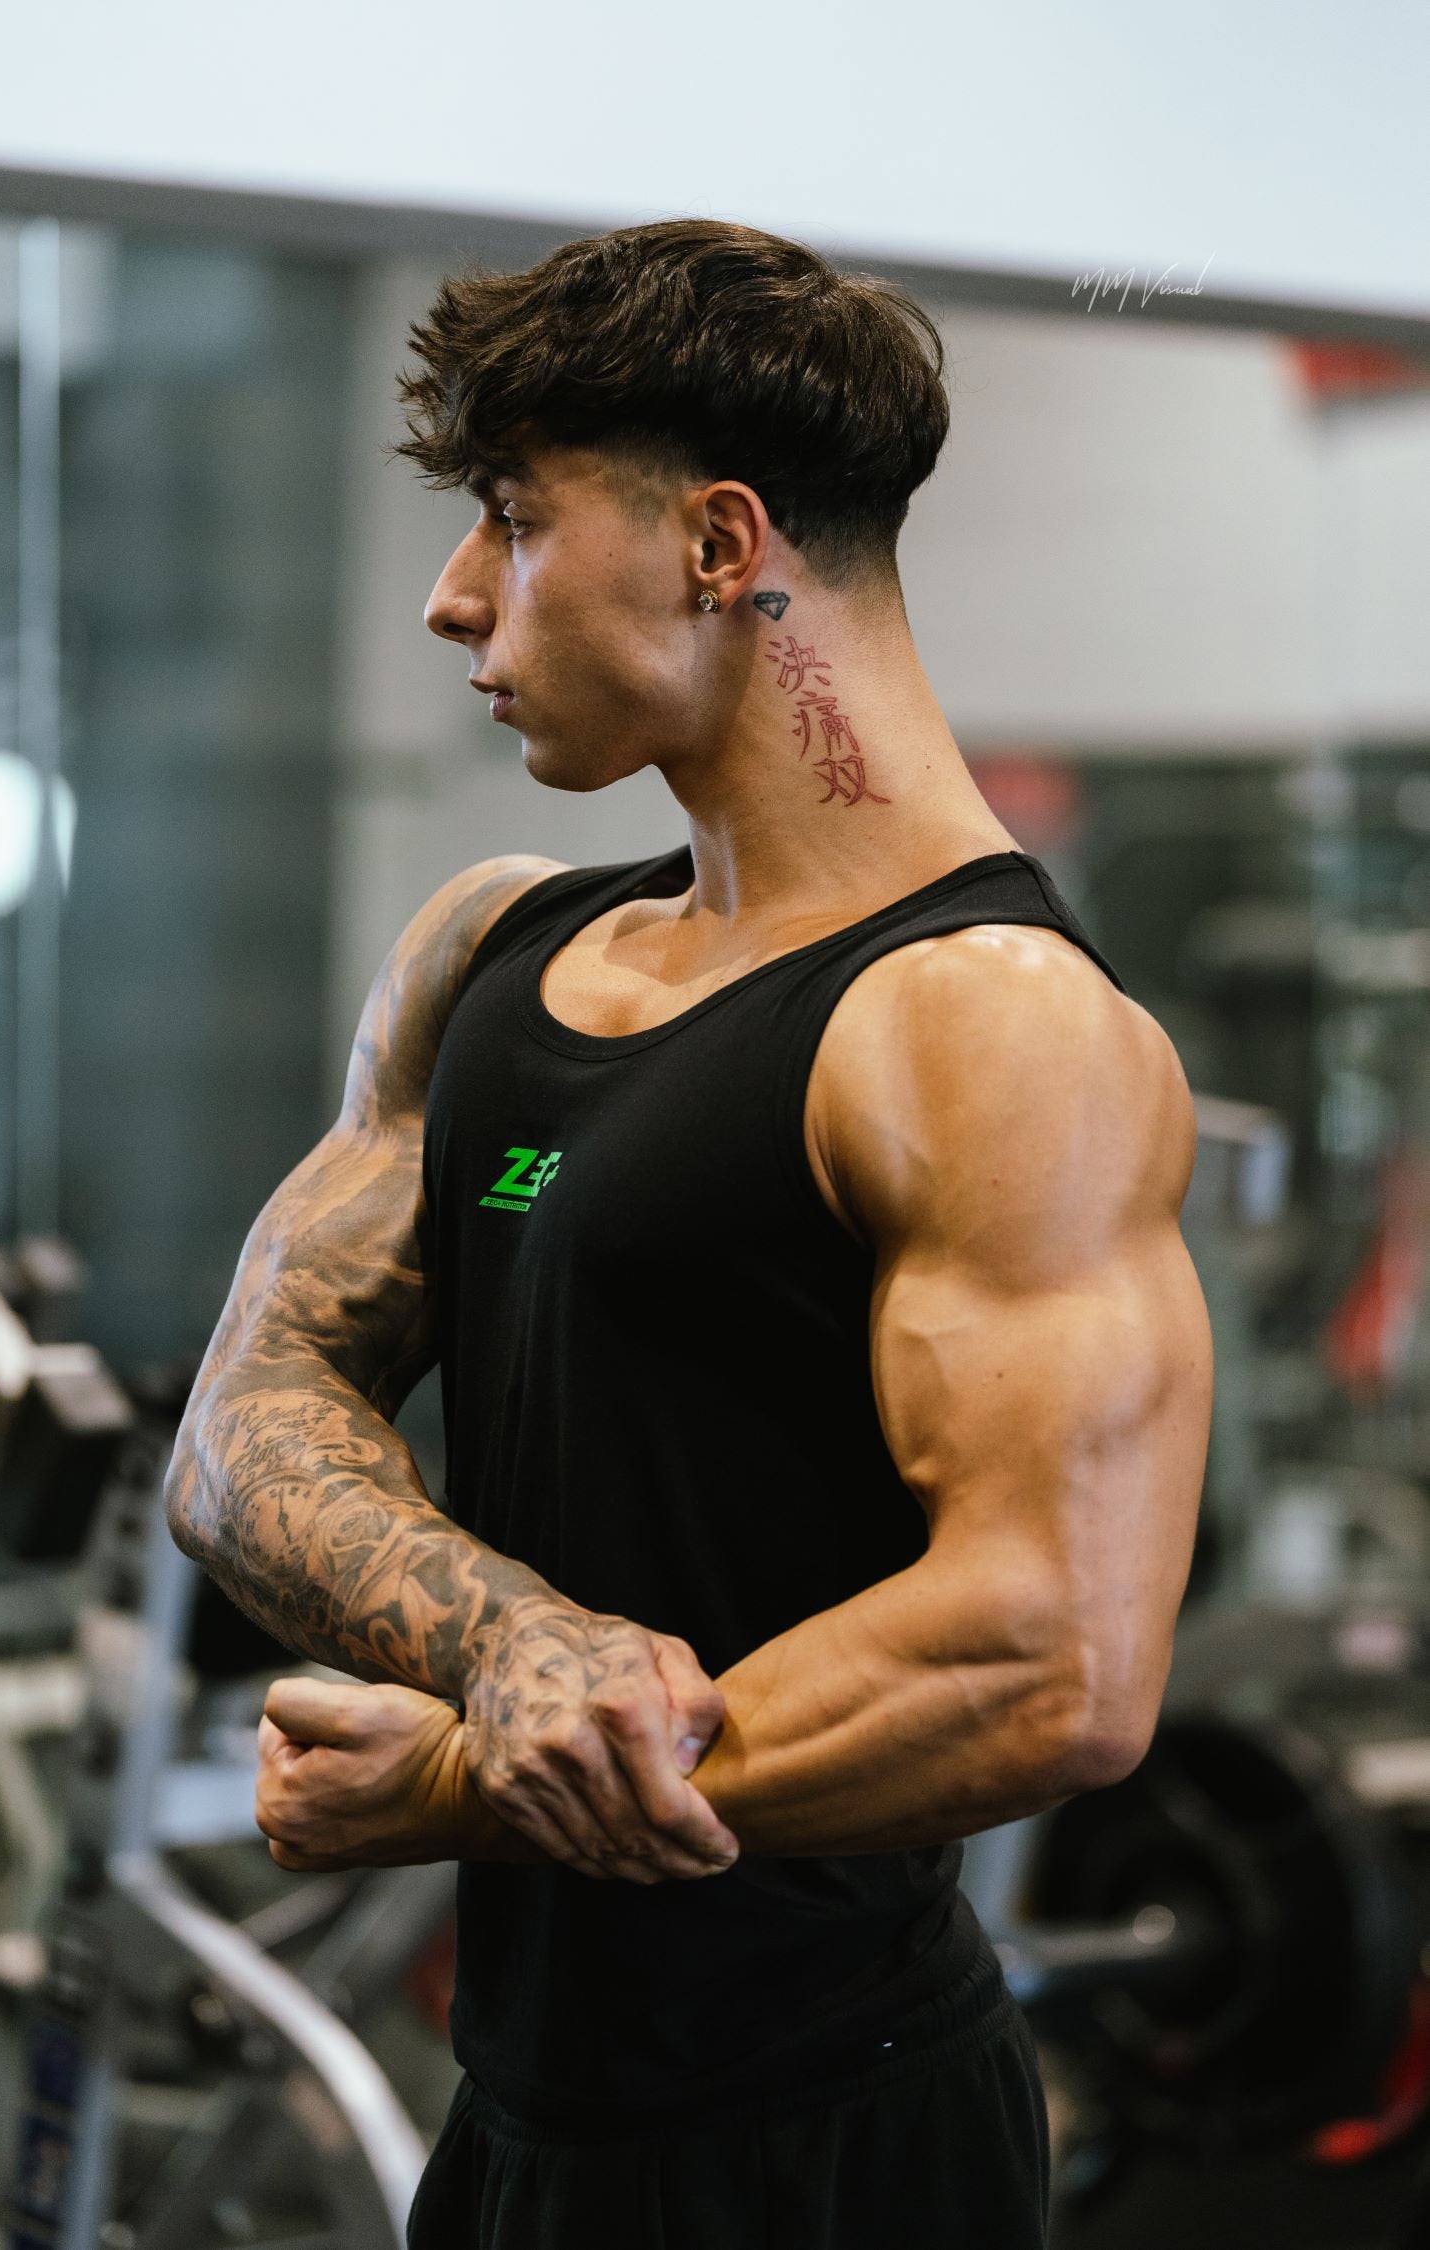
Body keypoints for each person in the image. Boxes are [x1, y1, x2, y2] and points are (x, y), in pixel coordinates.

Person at [165, 216, 1214, 2248]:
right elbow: (242, 1424)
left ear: (722, 546)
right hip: (523, 2118)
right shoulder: (496, 950)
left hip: (831, 2135)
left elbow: (1056, 1658)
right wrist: (518, 1647)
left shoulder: (982, 1021)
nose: (452, 597)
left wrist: (467, 1784)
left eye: (513, 520)